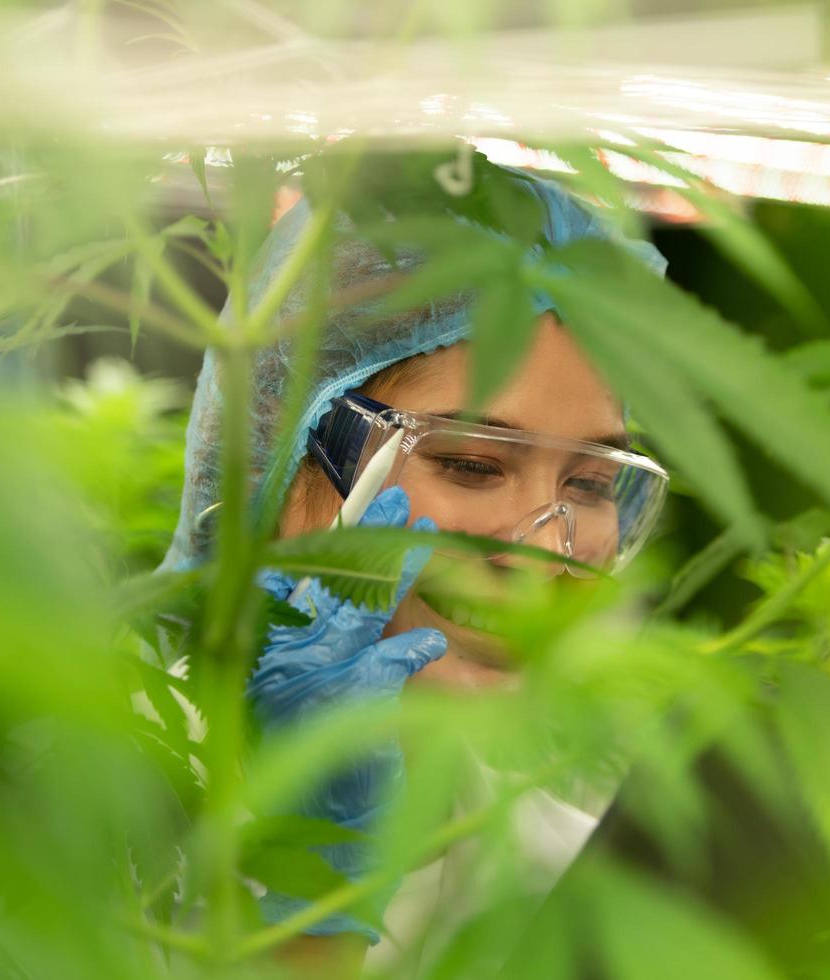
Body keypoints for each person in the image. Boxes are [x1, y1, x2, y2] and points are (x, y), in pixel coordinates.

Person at [161, 158, 670, 976]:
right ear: (282, 476)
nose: (546, 553)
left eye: (593, 484)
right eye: (472, 464)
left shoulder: (585, 900)